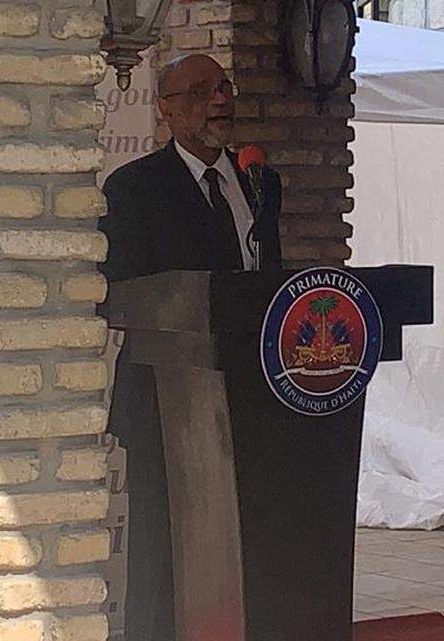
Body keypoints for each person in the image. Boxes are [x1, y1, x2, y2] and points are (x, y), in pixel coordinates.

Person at [97, 53, 283, 639]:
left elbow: (269, 278)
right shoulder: (133, 187)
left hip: (250, 386)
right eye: (201, 92)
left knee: (245, 533)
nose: (220, 101)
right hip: (164, 392)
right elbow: (118, 290)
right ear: (167, 109)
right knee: (164, 536)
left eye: (224, 88)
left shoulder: (259, 180)